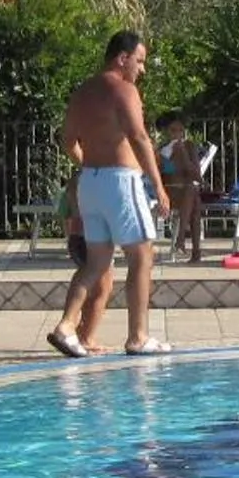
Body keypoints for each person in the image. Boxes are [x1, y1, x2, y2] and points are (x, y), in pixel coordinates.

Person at [59, 30, 174, 355]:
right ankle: (138, 336)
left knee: (95, 263)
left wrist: (89, 165)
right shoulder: (124, 90)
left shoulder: (82, 92)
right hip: (121, 182)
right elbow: (139, 137)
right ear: (122, 58)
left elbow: (68, 140)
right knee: (141, 256)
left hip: (91, 183)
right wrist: (159, 185)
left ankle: (67, 327)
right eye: (139, 61)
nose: (142, 69)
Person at [48, 138, 115, 359]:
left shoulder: (78, 178)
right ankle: (86, 337)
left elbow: (68, 211)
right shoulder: (88, 178)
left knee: (94, 285)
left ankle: (79, 333)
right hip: (90, 236)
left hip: (78, 236)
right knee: (102, 288)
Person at [159, 112, 206, 265]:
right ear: (167, 131)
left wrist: (184, 155)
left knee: (192, 195)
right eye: (173, 130)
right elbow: (165, 175)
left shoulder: (189, 146)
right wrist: (169, 158)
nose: (177, 134)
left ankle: (181, 239)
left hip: (186, 192)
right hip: (170, 192)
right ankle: (193, 250)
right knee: (193, 198)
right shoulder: (162, 150)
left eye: (180, 131)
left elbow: (197, 176)